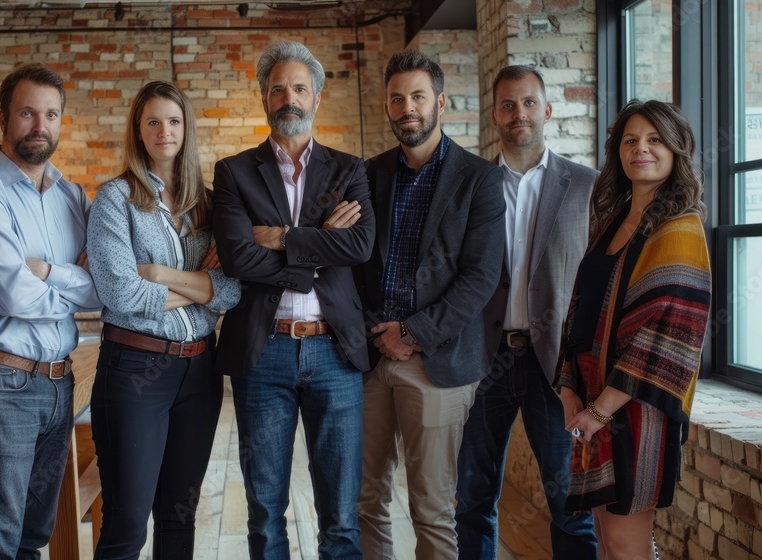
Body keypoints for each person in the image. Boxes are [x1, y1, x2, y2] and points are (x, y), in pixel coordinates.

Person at [212, 41, 375, 560]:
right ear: (263, 98)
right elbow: (238, 259)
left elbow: (358, 245)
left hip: (335, 354)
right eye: (278, 88)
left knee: (342, 517)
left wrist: (282, 237)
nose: (289, 98)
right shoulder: (234, 172)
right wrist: (317, 242)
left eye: (299, 88)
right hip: (264, 355)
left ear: (317, 98)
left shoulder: (349, 169)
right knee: (264, 514)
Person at [353, 50, 506, 560]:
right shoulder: (368, 174)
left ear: (440, 101)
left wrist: (413, 333)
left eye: (418, 96)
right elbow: (353, 268)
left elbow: (480, 276)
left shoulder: (480, 178)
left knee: (433, 507)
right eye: (397, 98)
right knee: (365, 499)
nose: (407, 108)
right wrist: (379, 331)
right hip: (371, 359)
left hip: (438, 364)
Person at [0, 63, 101, 559]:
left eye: (51, 114)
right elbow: (16, 298)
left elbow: (103, 291)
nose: (41, 126)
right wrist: (68, 279)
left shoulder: (72, 196)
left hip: (60, 381)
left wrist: (46, 271)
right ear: (3, 119)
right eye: (28, 113)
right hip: (0, 382)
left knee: (35, 536)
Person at [86, 80, 241, 559]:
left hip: (199, 373)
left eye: (173, 121)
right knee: (127, 522)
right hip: (134, 372)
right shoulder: (115, 200)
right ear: (138, 129)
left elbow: (234, 291)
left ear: (186, 128)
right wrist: (198, 288)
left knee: (179, 518)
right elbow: (120, 292)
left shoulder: (212, 204)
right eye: (152, 120)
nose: (164, 130)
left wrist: (157, 274)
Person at [557, 99, 711, 560]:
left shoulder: (679, 228)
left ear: (676, 149)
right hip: (592, 397)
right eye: (630, 140)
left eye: (654, 139)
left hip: (636, 408)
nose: (640, 149)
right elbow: (579, 307)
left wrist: (601, 410)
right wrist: (569, 390)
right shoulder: (614, 222)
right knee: (609, 540)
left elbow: (667, 337)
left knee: (626, 546)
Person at [455, 65, 598, 560]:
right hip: (481, 362)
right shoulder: (470, 185)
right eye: (509, 105)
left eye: (530, 102)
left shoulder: (587, 187)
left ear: (548, 110)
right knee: (472, 499)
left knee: (569, 505)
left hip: (556, 367)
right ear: (495, 115)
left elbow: (598, 283)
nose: (520, 113)